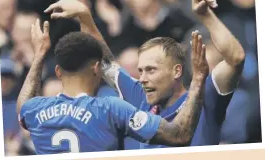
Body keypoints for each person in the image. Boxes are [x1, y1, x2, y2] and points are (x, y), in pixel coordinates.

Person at [45, 0, 245, 148]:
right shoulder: (139, 97)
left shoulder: (207, 96)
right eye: (140, 71)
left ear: (176, 71)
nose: (142, 78)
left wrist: (206, 16)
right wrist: (85, 17)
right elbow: (105, 62)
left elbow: (235, 58)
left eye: (151, 70)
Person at [16, 18, 209, 154]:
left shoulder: (35, 109)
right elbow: (180, 135)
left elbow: (22, 106)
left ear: (58, 72)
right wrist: (198, 79)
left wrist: (39, 55)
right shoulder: (110, 109)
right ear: (96, 69)